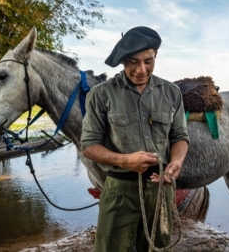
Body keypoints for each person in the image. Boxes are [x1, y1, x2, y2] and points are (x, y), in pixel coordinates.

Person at [81, 26, 189, 252]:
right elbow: (89, 145)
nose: (141, 69)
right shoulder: (101, 94)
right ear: (122, 61)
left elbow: (179, 137)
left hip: (160, 188)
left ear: (155, 56)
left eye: (148, 61)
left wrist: (176, 162)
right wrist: (125, 160)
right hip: (120, 190)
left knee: (157, 247)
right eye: (132, 62)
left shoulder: (171, 92)